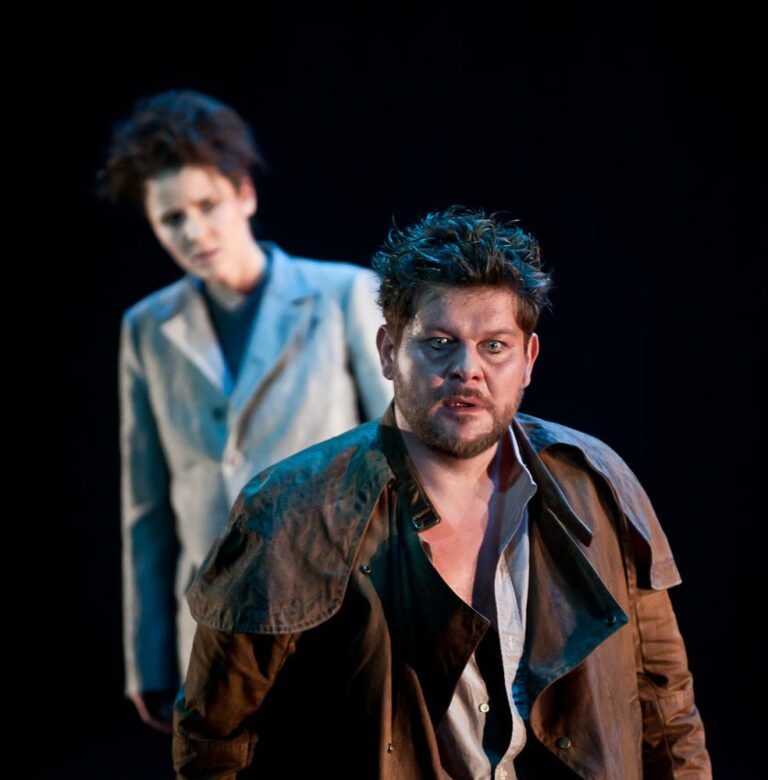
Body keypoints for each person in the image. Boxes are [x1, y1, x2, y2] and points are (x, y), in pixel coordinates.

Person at [173, 206, 711, 778]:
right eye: (439, 342)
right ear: (388, 351)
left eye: (494, 346)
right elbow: (215, 740)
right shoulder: (290, 509)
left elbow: (666, 707)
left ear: (528, 359)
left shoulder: (598, 483)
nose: (466, 369)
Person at [101, 90, 391, 733]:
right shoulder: (147, 327)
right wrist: (146, 658)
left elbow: (405, 461)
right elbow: (144, 506)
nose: (194, 231)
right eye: (171, 218)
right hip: (211, 627)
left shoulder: (341, 294)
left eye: (207, 205)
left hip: (338, 610)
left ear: (245, 195)